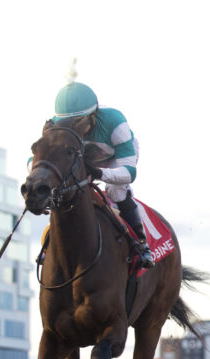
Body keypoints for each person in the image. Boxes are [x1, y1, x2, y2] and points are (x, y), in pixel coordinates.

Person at [52, 82, 154, 268]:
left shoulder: (115, 122)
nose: (72, 128)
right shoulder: (57, 126)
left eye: (78, 122)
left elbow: (129, 173)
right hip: (87, 160)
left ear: (93, 116)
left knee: (116, 191)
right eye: (67, 123)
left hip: (116, 157)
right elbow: (36, 159)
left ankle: (141, 244)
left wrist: (98, 173)